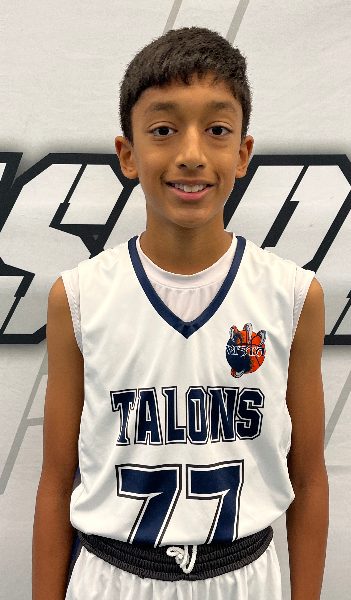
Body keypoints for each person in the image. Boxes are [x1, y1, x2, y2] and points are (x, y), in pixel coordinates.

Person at [32, 27, 328, 600]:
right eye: (164, 130)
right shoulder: (79, 296)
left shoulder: (293, 295)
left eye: (217, 130)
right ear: (128, 154)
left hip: (244, 577)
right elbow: (56, 480)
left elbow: (310, 478)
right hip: (112, 577)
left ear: (242, 153)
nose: (191, 155)